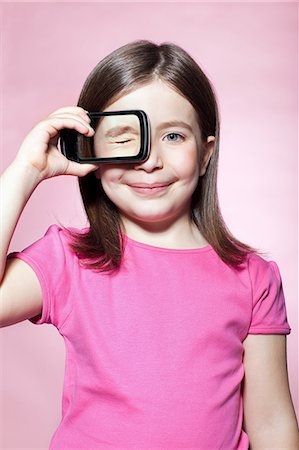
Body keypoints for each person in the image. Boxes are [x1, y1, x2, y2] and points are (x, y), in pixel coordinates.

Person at [0, 40, 298, 449]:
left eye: (174, 136)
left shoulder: (253, 278)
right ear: (90, 152)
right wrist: (25, 171)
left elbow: (272, 423)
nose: (150, 161)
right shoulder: (67, 260)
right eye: (124, 138)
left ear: (206, 153)